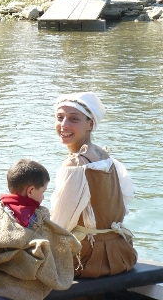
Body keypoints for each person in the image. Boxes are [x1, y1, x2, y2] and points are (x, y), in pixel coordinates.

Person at [50, 92, 137, 278]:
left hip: (87, 258)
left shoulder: (74, 164)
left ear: (90, 124)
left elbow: (60, 223)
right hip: (121, 252)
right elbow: (125, 200)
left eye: (74, 119)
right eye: (60, 118)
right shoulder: (106, 157)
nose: (64, 125)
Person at [0, 160, 80, 300]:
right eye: (43, 191)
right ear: (30, 191)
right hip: (26, 285)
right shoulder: (37, 217)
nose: (43, 197)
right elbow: (53, 247)